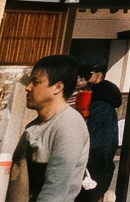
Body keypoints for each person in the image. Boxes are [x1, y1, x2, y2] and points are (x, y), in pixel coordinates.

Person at [18, 57, 89, 202]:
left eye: (36, 82)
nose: (28, 87)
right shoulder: (33, 126)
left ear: (58, 87)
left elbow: (55, 190)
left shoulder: (69, 124)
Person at [83, 78, 122, 202]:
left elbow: (95, 142)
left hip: (93, 169)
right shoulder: (110, 110)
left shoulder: (99, 109)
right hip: (104, 170)